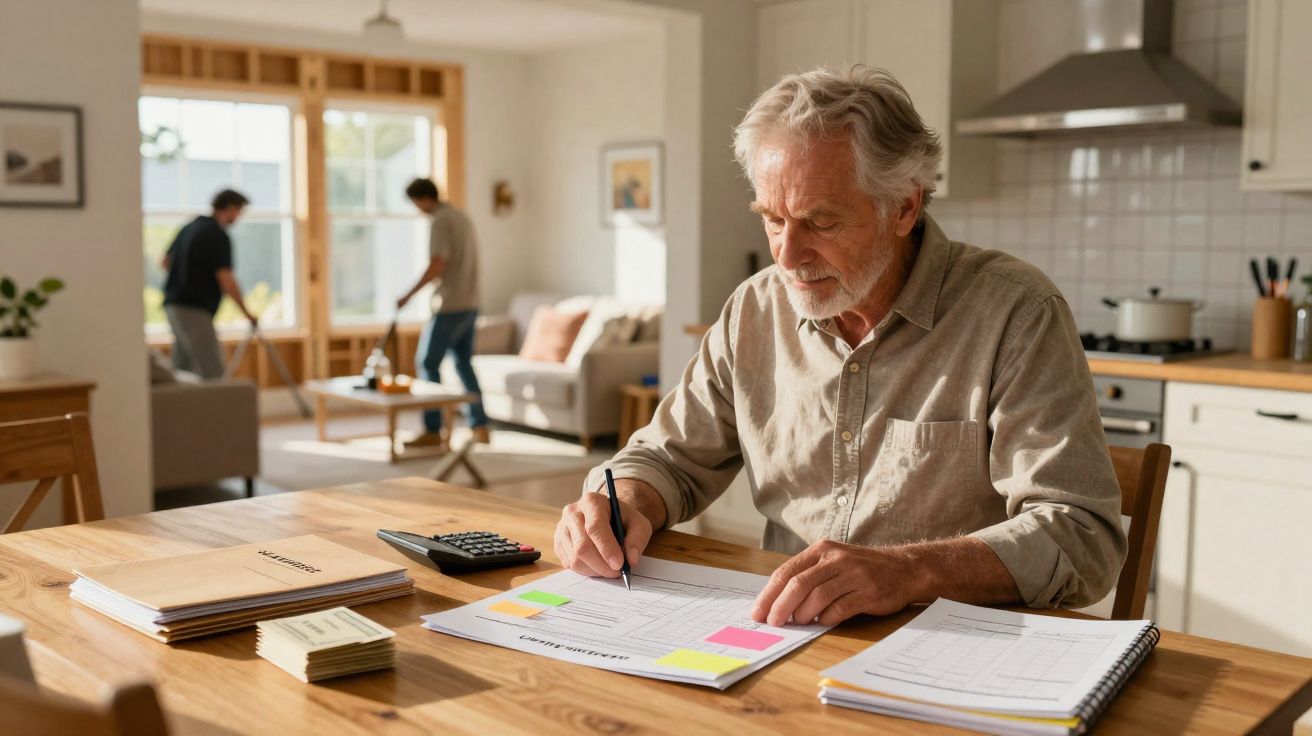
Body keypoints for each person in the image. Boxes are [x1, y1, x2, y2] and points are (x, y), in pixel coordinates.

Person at [554, 67, 1126, 628]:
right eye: (772, 220)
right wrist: (623, 503)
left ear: (904, 207)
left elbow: (1080, 534)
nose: (787, 256)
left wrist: (909, 571)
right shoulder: (754, 310)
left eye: (820, 222)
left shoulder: (1015, 312)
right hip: (784, 630)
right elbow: (668, 458)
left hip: (953, 641)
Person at [397, 178, 490, 448]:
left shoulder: (440, 221)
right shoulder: (461, 217)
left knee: (427, 363)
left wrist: (408, 294)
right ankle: (480, 425)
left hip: (450, 305)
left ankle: (432, 429)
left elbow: (438, 263)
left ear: (423, 199)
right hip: (471, 302)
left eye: (415, 203)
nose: (417, 209)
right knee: (463, 364)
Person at [161, 189, 258, 379]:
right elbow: (226, 278)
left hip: (173, 305)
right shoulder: (216, 235)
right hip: (194, 308)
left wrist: (186, 275)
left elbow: (165, 261)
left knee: (183, 368)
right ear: (230, 208)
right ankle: (216, 401)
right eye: (239, 211)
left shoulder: (190, 227)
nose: (238, 217)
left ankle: (182, 399)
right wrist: (246, 312)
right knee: (212, 370)